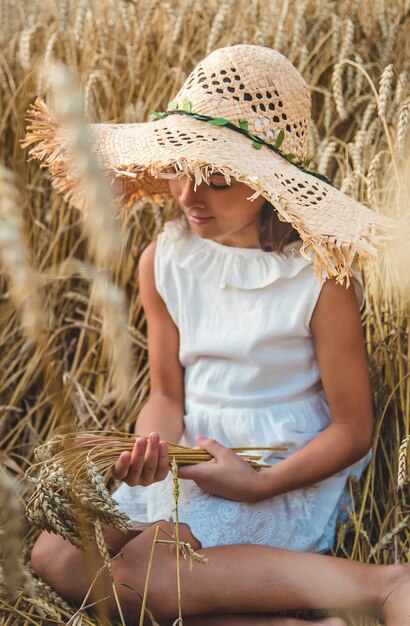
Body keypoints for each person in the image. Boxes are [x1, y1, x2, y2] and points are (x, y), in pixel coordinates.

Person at [25, 45, 406, 625]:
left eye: (220, 179)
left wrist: (260, 484)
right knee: (52, 553)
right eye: (179, 167)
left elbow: (353, 428)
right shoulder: (164, 260)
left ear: (269, 185)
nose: (188, 196)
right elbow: (166, 395)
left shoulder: (319, 277)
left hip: (279, 461)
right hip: (193, 452)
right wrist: (154, 451)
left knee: (139, 573)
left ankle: (380, 584)